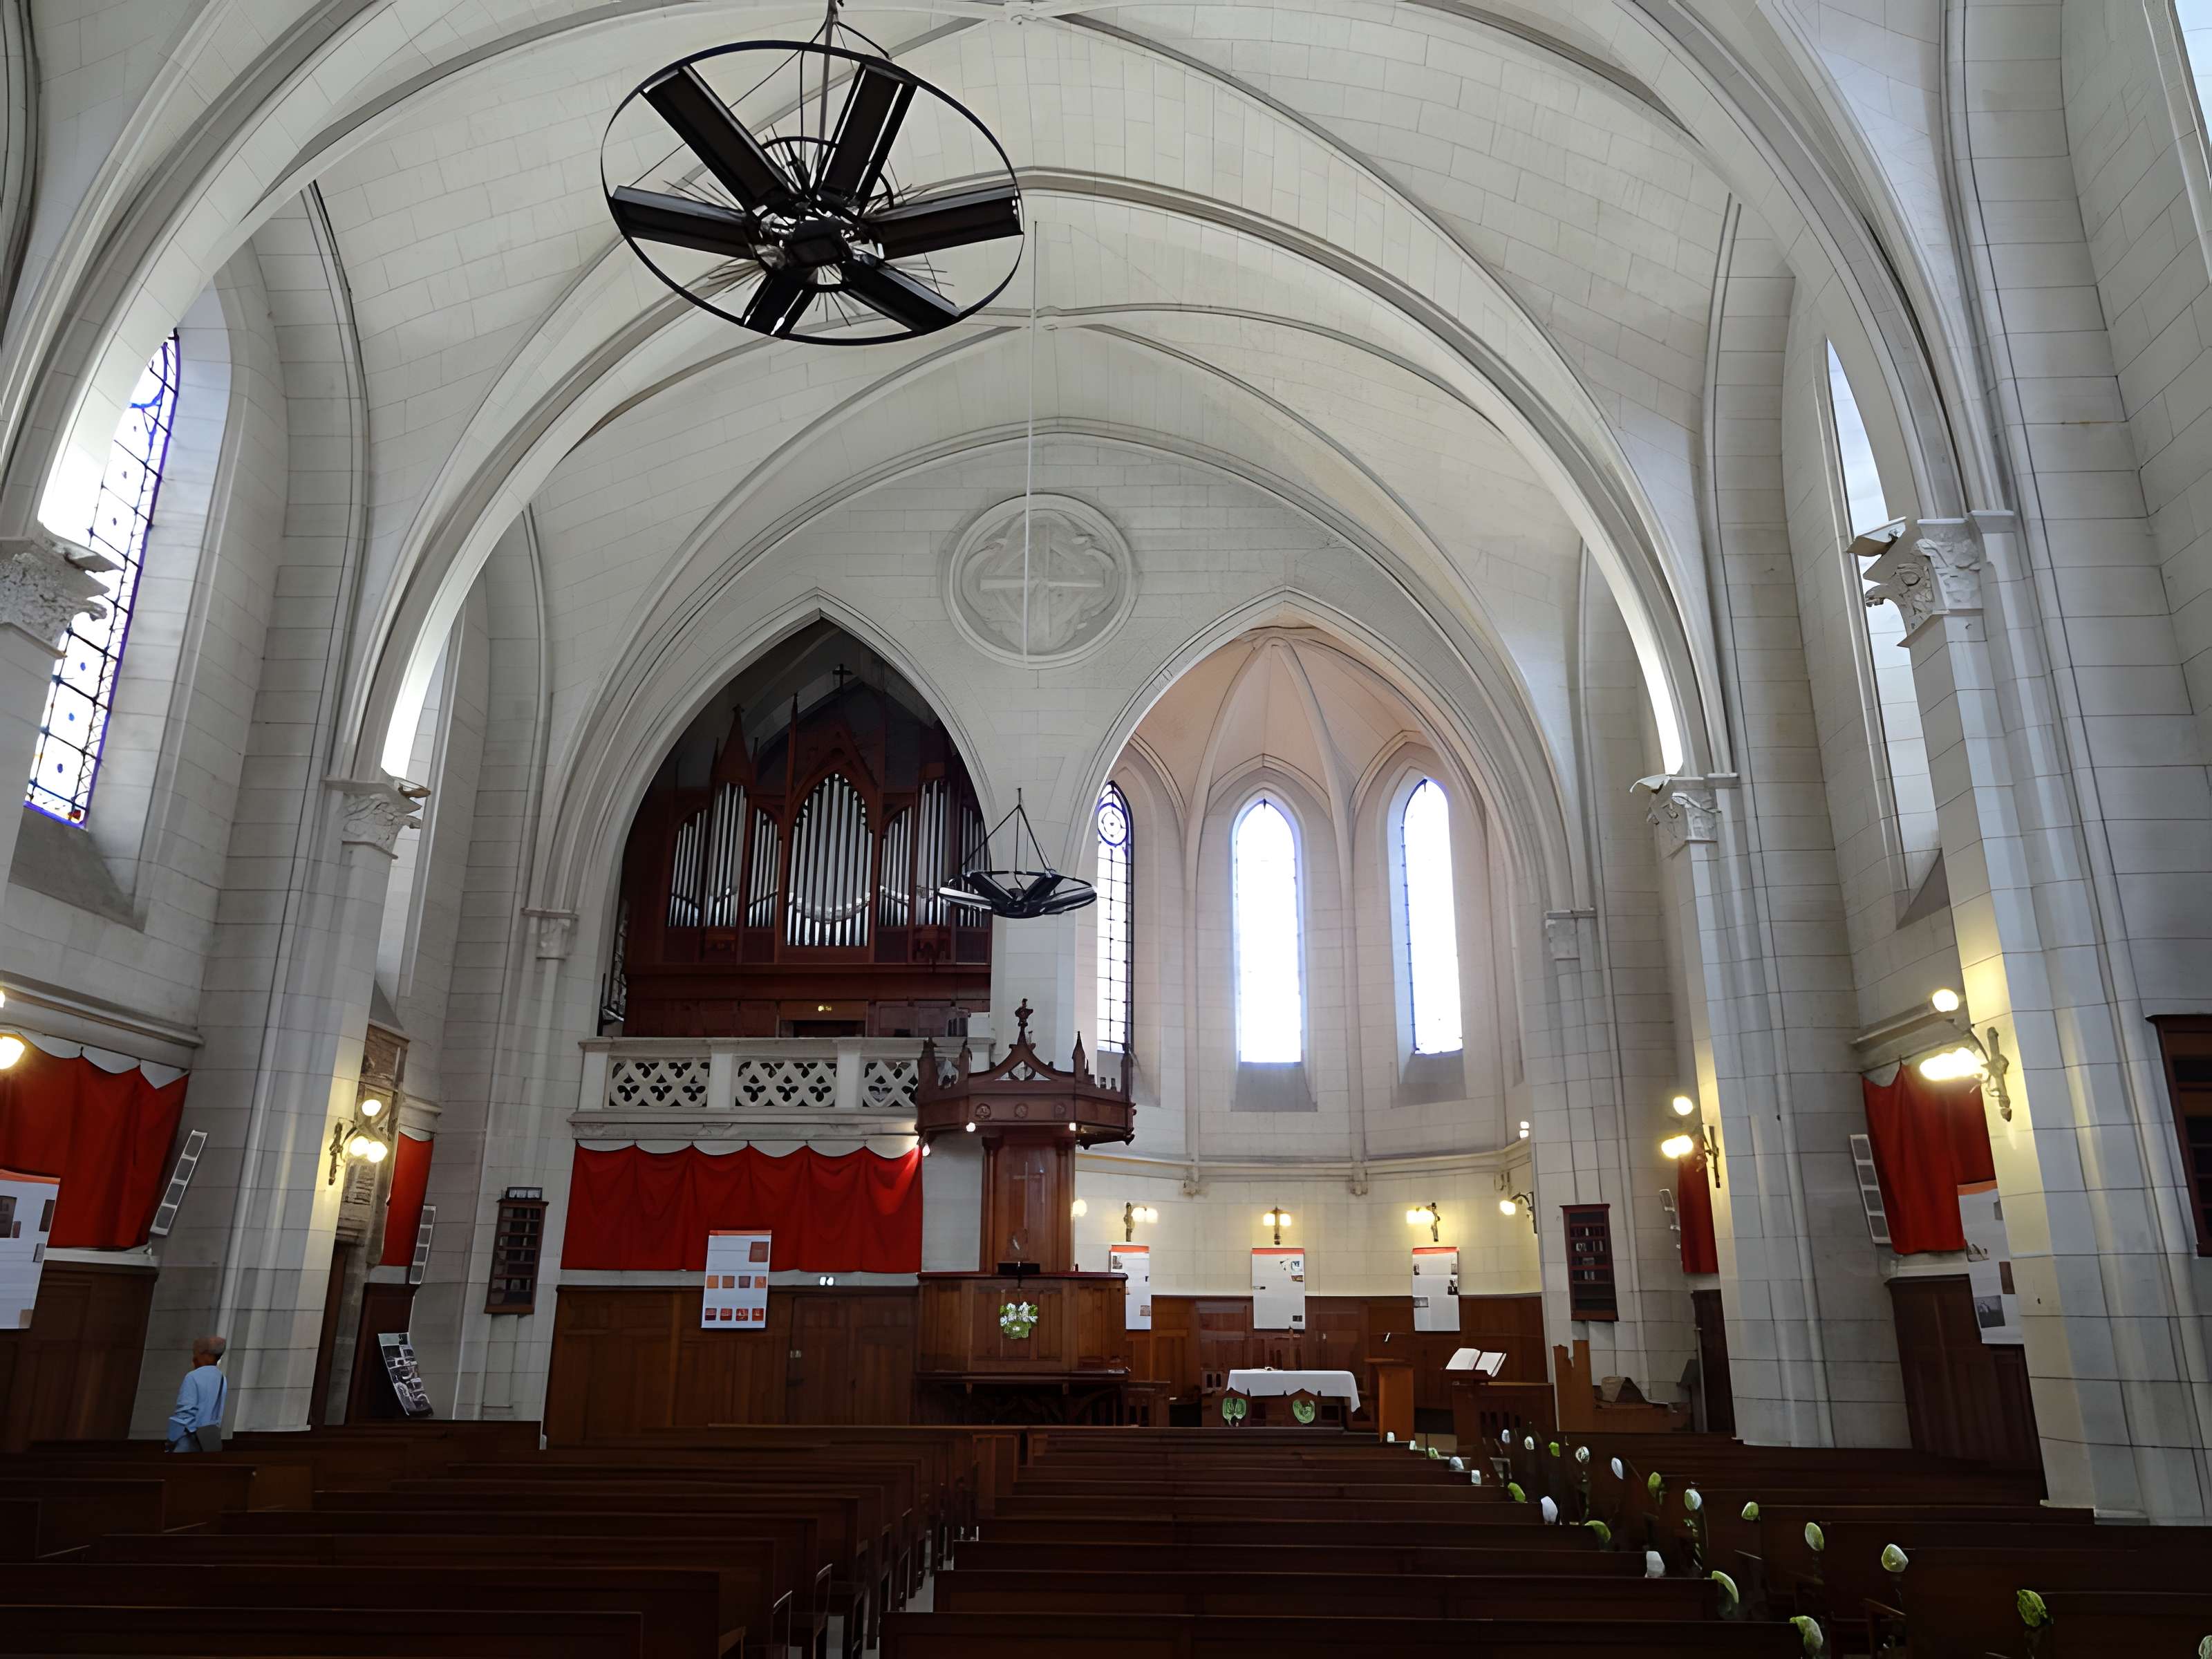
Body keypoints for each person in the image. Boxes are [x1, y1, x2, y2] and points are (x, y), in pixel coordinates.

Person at [166, 1335, 227, 1452]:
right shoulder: (222, 1378)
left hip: (189, 1437)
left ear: (207, 1356)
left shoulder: (193, 1376)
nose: (194, 1357)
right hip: (209, 1438)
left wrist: (172, 1439)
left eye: (196, 1353)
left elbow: (184, 1413)